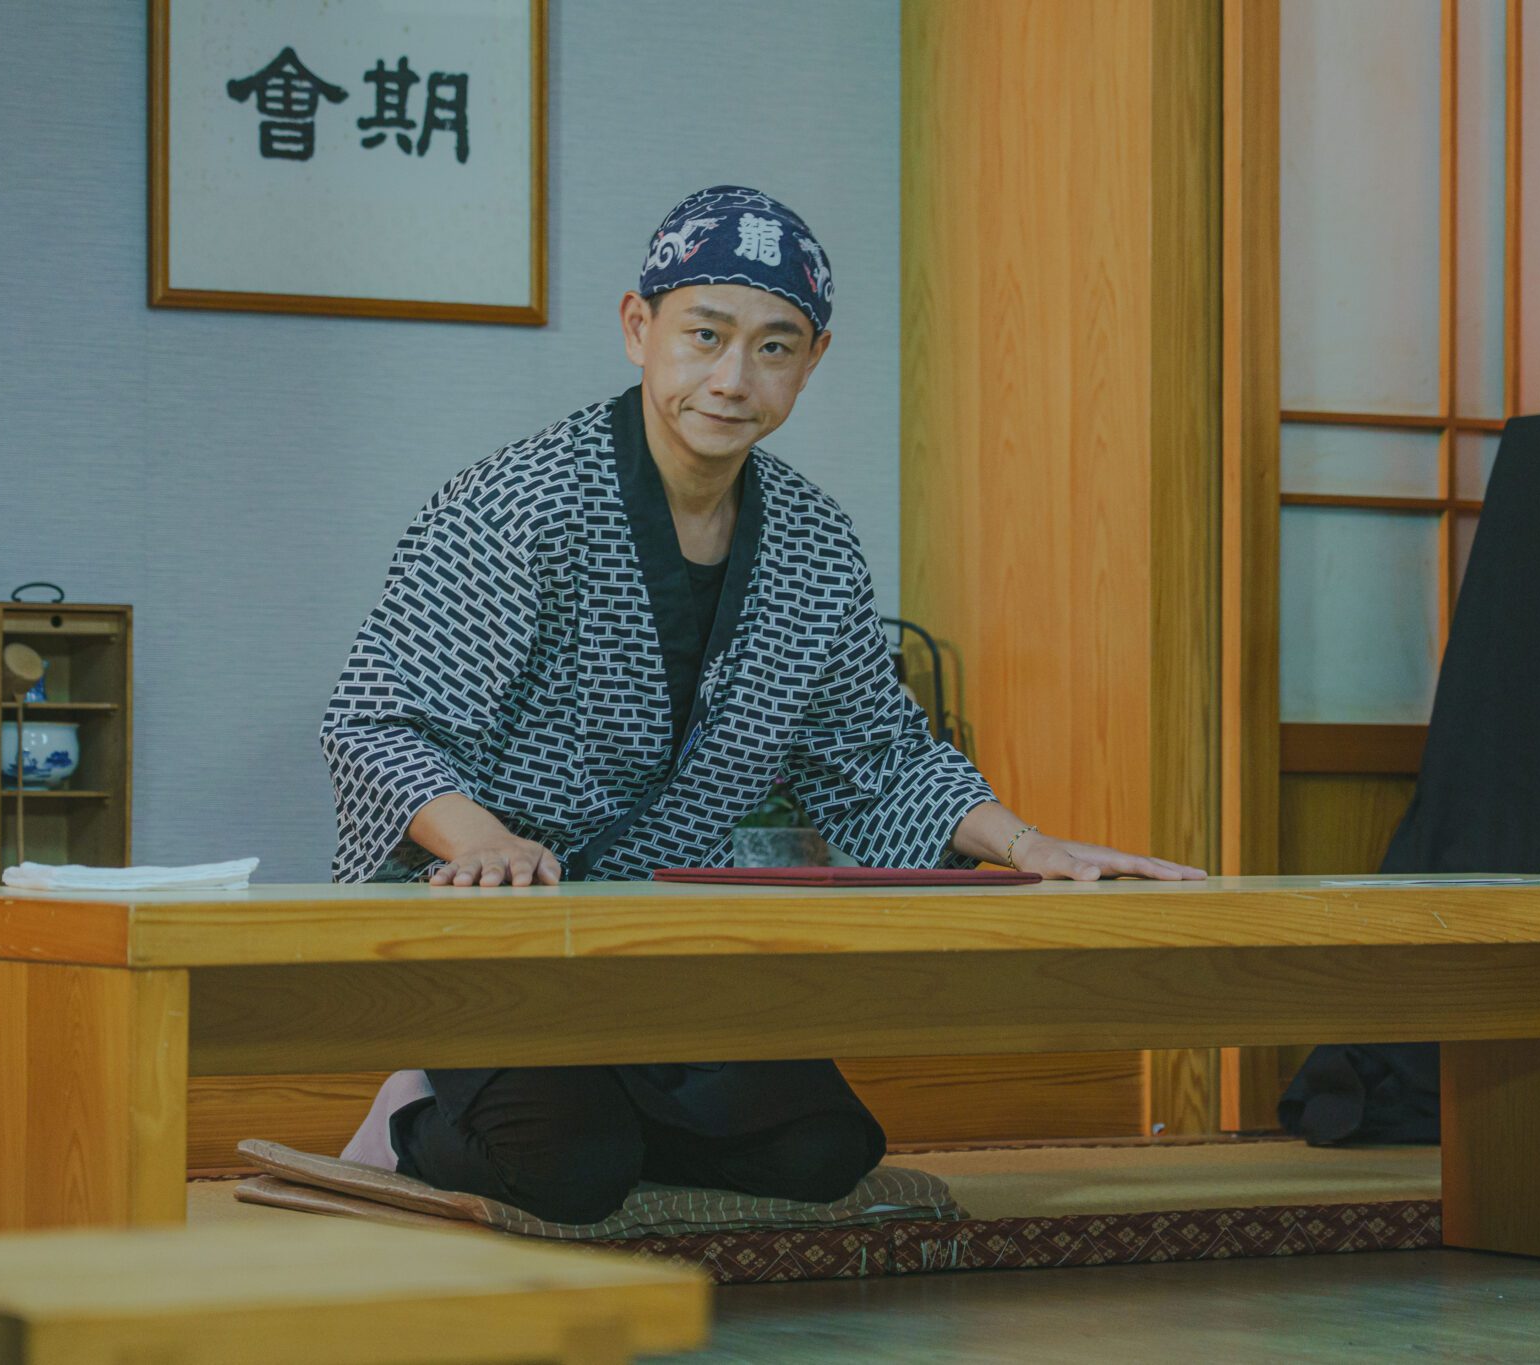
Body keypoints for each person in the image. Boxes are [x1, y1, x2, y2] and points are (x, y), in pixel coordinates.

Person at [320, 185, 1204, 1224]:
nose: (733, 379)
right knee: (567, 1170)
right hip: (499, 933)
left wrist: (1026, 845)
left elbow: (876, 760)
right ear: (638, 328)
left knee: (825, 1150)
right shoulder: (514, 505)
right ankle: (410, 1118)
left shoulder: (813, 543)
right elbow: (376, 721)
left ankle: (598, 1107)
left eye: (774, 347)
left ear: (812, 360)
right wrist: (481, 841)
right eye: (704, 335)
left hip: (663, 942)